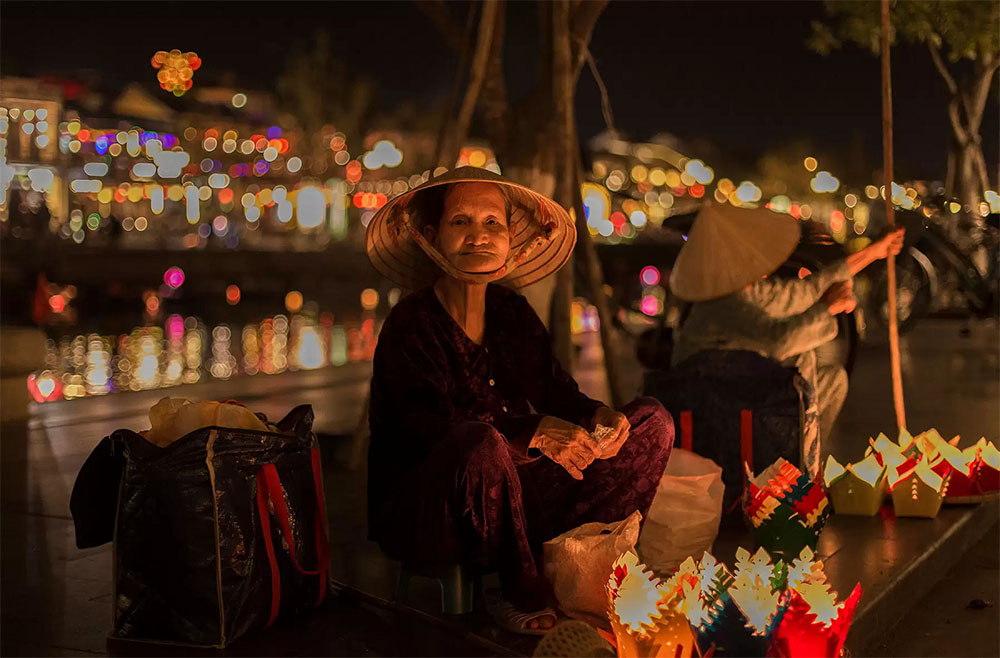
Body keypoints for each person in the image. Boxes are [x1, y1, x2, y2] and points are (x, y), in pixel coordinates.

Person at [365, 167, 674, 634]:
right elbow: (425, 432)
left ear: (511, 239)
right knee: (482, 444)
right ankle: (518, 589)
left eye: (493, 223)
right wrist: (531, 433)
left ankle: (583, 570)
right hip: (430, 508)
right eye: (461, 222)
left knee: (653, 421)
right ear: (431, 236)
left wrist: (599, 417)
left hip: (519, 495)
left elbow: (555, 392)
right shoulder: (411, 325)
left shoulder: (512, 313)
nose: (479, 236)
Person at [669, 203, 904, 476]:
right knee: (799, 362)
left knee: (832, 380)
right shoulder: (723, 302)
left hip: (744, 393)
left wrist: (873, 252)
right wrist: (826, 309)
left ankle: (801, 465)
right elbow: (779, 342)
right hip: (719, 406)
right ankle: (795, 474)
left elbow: (807, 290)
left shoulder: (745, 292)